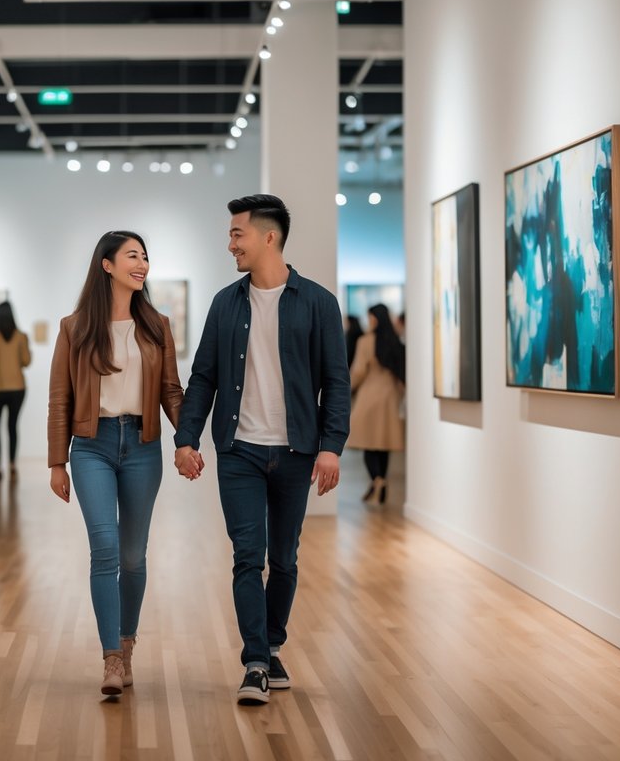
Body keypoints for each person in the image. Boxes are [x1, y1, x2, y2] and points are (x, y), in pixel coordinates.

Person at [173, 194, 351, 705]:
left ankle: (272, 646)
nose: (230, 244)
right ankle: (255, 662)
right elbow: (203, 378)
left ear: (268, 237)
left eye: (237, 234)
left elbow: (336, 382)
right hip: (240, 452)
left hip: (296, 453)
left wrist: (331, 447)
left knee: (285, 559)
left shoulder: (318, 302)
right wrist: (186, 438)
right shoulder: (225, 304)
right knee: (248, 557)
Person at [48, 230, 184, 696]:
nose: (142, 264)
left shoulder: (156, 326)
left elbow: (171, 391)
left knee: (133, 556)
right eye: (132, 255)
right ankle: (110, 658)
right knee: (105, 549)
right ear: (107, 265)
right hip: (92, 446)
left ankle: (127, 646)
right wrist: (57, 462)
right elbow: (60, 398)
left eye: (145, 256)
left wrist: (186, 439)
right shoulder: (75, 327)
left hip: (143, 446)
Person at [349, 303, 405, 504]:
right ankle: (381, 480)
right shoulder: (395, 341)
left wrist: (346, 388)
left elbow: (358, 371)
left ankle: (377, 480)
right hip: (390, 397)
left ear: (375, 318)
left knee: (367, 442)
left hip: (370, 396)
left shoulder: (366, 341)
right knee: (383, 443)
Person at [0, 301, 31, 483]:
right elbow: (26, 361)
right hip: (17, 388)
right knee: (12, 426)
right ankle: (12, 464)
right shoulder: (21, 336)